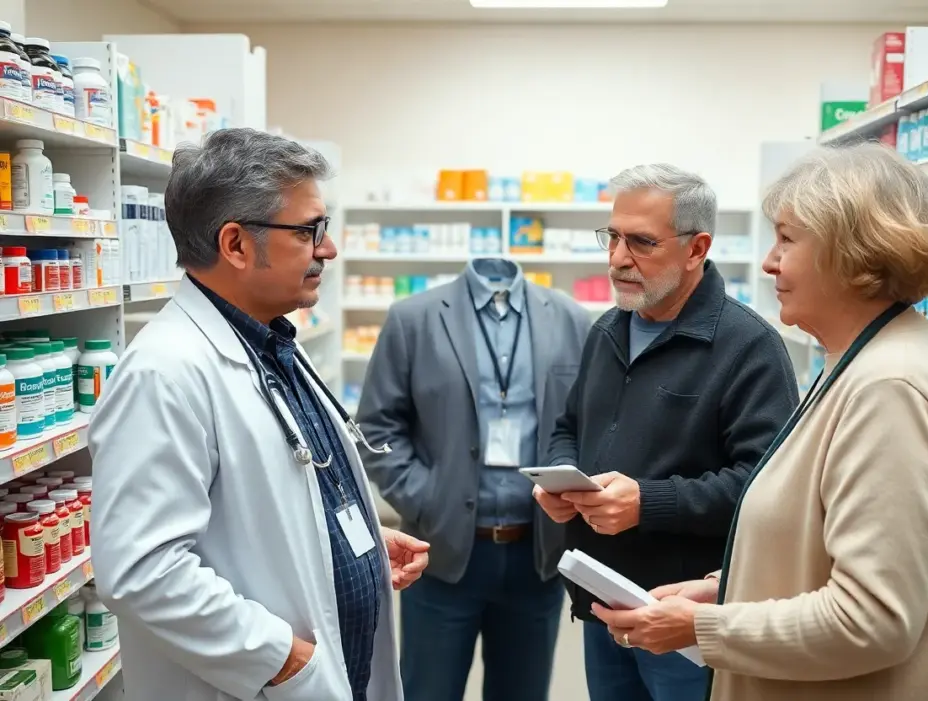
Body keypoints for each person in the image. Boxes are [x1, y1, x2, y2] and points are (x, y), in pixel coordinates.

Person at [592, 143, 928, 701]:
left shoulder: (890, 392)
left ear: (853, 254)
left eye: (787, 239)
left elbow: (869, 619)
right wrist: (726, 590)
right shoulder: (853, 363)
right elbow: (816, 546)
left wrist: (702, 629)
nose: (768, 261)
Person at [88, 128, 429, 701]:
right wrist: (284, 662)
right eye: (310, 231)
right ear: (237, 245)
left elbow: (273, 498)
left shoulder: (269, 343)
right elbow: (142, 570)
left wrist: (354, 543)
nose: (328, 249)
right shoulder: (164, 372)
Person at [534, 164, 798, 701]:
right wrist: (561, 480)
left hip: (684, 615)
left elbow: (765, 488)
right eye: (612, 237)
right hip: (602, 597)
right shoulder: (608, 329)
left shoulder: (747, 347)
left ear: (696, 248)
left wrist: (647, 503)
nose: (617, 259)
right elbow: (569, 425)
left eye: (641, 242)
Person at [358, 257, 592, 701]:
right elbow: (377, 427)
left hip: (537, 554)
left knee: (523, 692)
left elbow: (587, 422)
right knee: (429, 690)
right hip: (442, 554)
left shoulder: (570, 320)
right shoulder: (415, 318)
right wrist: (426, 500)